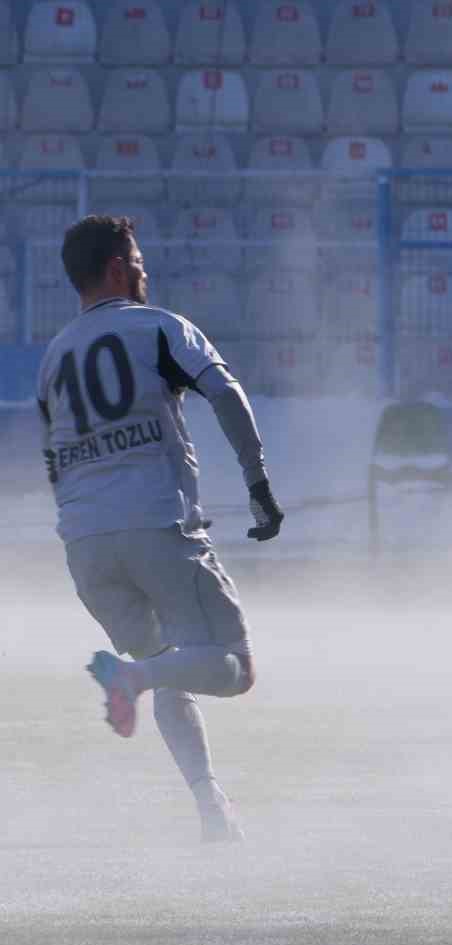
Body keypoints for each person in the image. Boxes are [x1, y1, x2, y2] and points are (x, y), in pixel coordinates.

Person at [38, 216, 285, 843]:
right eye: (138, 258)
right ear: (119, 265)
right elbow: (224, 390)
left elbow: (52, 457)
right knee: (233, 665)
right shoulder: (159, 328)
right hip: (156, 523)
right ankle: (134, 679)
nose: (145, 268)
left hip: (86, 546)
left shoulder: (54, 357)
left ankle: (210, 806)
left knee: (171, 661)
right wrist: (257, 482)